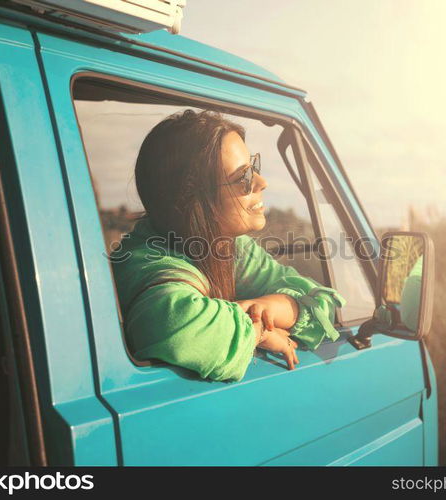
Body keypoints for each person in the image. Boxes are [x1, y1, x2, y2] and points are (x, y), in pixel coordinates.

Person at [111, 109, 345, 382]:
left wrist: (264, 308)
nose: (261, 182)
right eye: (243, 177)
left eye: (254, 167)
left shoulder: (229, 247)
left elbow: (321, 301)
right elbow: (177, 328)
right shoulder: (149, 261)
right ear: (193, 199)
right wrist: (260, 332)